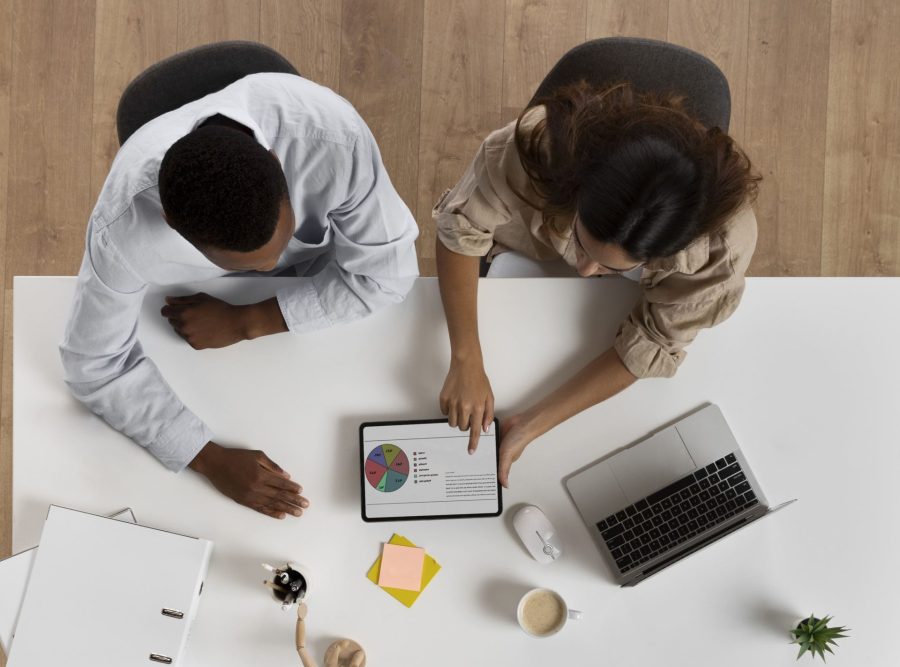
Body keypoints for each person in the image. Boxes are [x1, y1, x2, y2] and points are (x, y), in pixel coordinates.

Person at [60, 73, 418, 519]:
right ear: (173, 224)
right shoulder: (122, 227)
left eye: (283, 241)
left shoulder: (332, 136)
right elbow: (91, 366)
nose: (271, 267)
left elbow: (388, 275)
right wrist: (208, 458)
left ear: (274, 160)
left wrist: (249, 321)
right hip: (197, 335)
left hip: (318, 301)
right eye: (251, 265)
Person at [433, 81, 760, 487]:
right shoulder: (537, 144)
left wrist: (530, 426)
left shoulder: (720, 250)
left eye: (610, 267)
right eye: (583, 246)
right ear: (575, 191)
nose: (585, 271)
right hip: (524, 258)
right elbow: (462, 227)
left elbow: (653, 342)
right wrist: (466, 359)